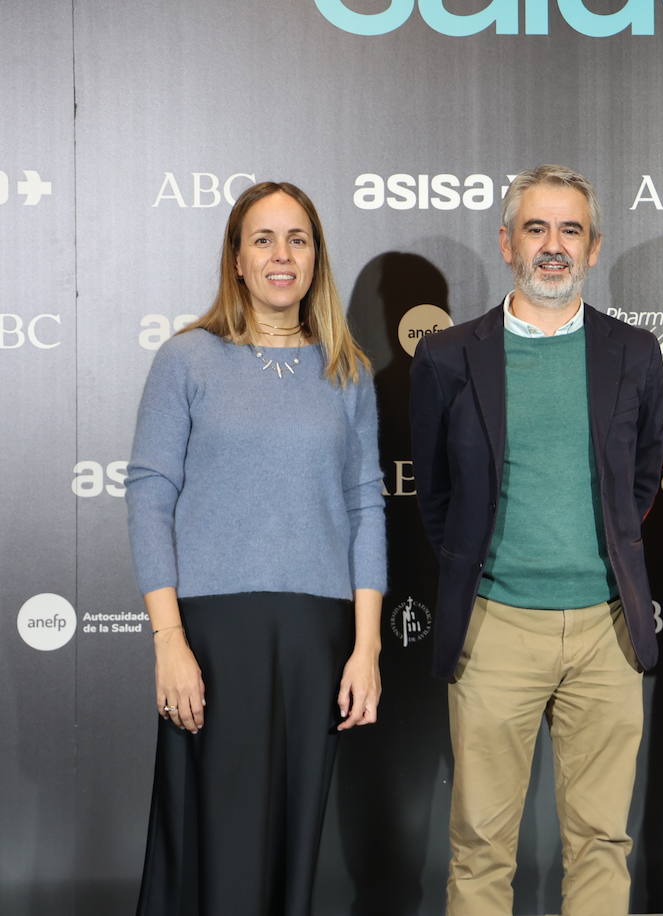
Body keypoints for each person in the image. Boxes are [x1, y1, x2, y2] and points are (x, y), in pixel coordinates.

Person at [409, 164, 663, 916]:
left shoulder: (633, 354)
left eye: (570, 231)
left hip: (606, 630)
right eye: (536, 228)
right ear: (506, 241)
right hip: (493, 628)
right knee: (482, 846)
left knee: (600, 842)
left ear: (593, 248)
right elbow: (436, 496)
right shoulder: (449, 356)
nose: (553, 246)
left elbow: (642, 478)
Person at [126, 181, 386, 915]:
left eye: (297, 239)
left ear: (316, 258)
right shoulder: (188, 359)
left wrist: (366, 649)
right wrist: (168, 642)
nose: (282, 255)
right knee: (214, 839)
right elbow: (149, 498)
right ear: (236, 259)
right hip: (213, 633)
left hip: (318, 634)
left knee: (291, 839)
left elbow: (366, 503)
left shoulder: (347, 370)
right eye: (263, 239)